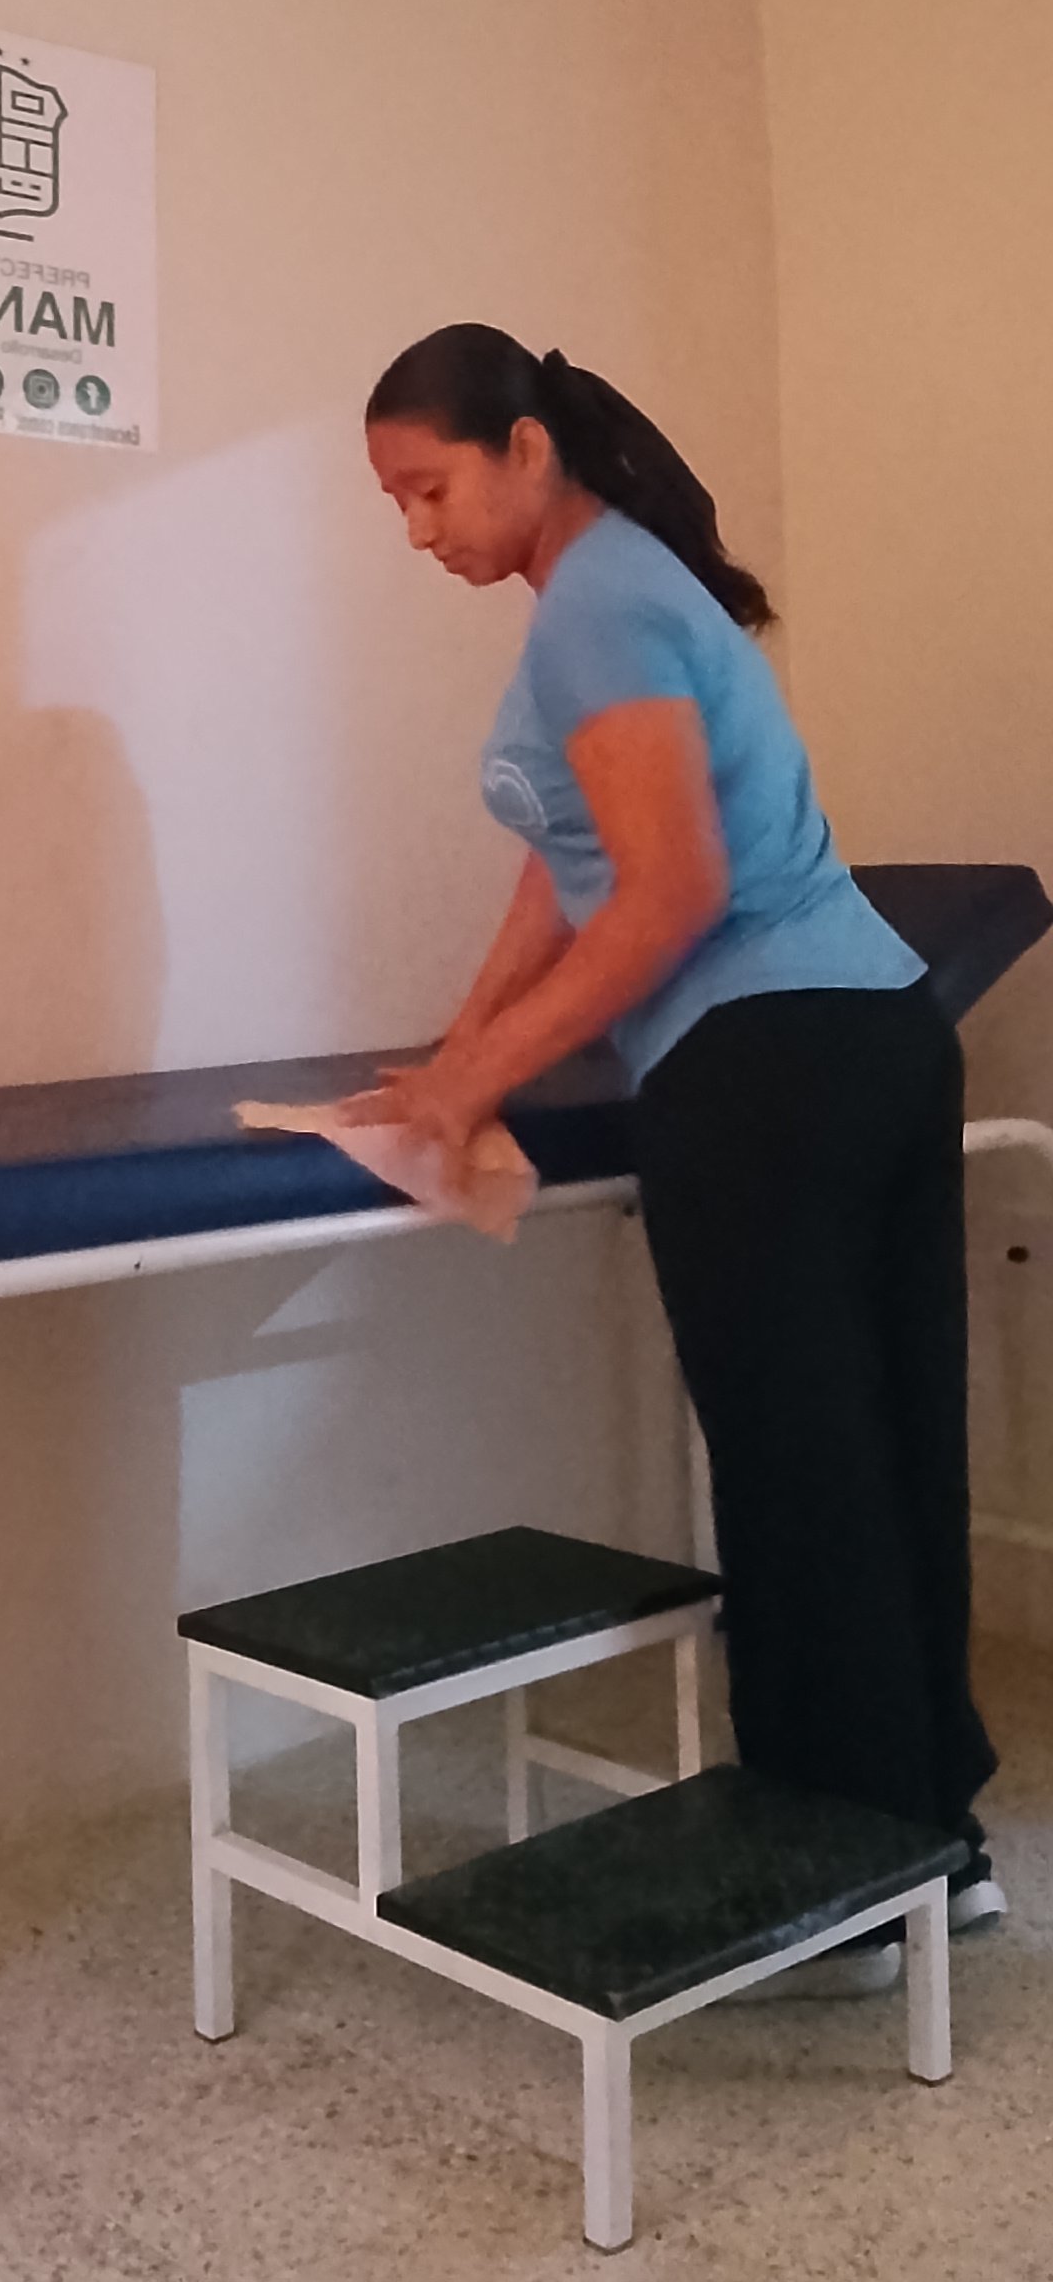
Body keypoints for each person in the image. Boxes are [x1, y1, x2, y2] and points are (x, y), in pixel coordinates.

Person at [362, 321, 1002, 1985]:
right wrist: (459, 1050)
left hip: (763, 1068)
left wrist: (471, 1086)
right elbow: (568, 860)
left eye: (430, 490)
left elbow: (670, 892)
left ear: (524, 450)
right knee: (886, 1455)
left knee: (798, 1479)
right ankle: (933, 1840)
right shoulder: (624, 590)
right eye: (395, 504)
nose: (417, 532)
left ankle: (842, 1890)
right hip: (876, 1036)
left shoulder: (596, 604)